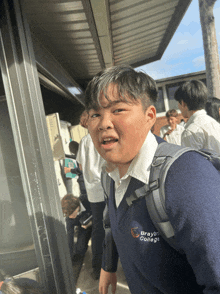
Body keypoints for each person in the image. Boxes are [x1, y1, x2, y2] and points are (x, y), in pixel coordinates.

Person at [85, 65, 220, 294]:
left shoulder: (186, 176)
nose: (104, 123)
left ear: (149, 116)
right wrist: (108, 266)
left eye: (118, 110)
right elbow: (112, 224)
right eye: (95, 114)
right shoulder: (110, 175)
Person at [76, 111, 106, 280]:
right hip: (106, 188)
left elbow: (80, 165)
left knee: (98, 230)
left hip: (92, 192)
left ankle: (97, 268)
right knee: (113, 225)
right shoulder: (100, 138)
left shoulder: (84, 141)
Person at [174, 80, 220, 151]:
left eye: (178, 103)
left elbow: (191, 161)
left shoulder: (190, 132)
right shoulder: (215, 123)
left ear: (183, 103)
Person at [61, 194, 92, 263]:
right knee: (78, 251)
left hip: (90, 223)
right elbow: (69, 236)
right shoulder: (69, 215)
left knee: (81, 248)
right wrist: (69, 256)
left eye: (71, 214)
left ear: (77, 208)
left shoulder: (88, 201)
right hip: (82, 225)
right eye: (67, 214)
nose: (70, 216)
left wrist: (90, 223)